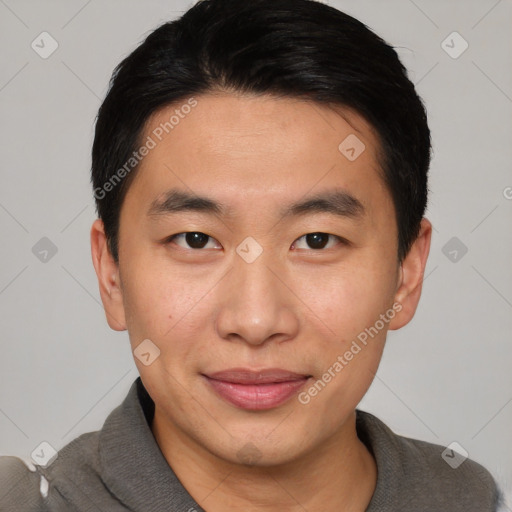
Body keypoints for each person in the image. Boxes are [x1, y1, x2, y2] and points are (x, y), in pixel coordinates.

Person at [0, 0, 505, 510]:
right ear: (111, 274)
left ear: (406, 274)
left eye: (317, 240)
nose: (257, 320)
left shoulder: (467, 499)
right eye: (195, 239)